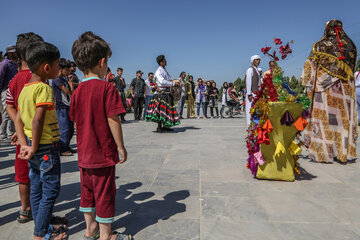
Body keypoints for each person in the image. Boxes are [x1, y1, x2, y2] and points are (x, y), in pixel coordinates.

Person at [70, 31, 130, 240]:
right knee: (105, 193)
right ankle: (106, 235)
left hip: (84, 155)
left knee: (87, 192)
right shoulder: (107, 88)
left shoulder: (76, 91)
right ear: (103, 62)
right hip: (102, 155)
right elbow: (114, 120)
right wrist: (120, 146)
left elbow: (76, 121)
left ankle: (90, 229)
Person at [14, 41, 67, 240]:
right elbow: (37, 120)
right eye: (57, 65)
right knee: (51, 190)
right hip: (45, 147)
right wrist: (34, 146)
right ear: (47, 68)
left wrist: (25, 144)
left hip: (32, 145)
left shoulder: (25, 89)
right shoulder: (44, 89)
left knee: (36, 188)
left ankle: (41, 226)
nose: (59, 69)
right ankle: (40, 234)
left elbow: (18, 120)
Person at [302, 19, 358, 163]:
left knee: (325, 121)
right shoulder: (351, 45)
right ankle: (341, 153)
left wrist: (307, 84)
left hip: (325, 90)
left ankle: (323, 153)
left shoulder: (320, 45)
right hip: (346, 91)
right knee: (342, 122)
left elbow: (309, 66)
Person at [6, 32, 44, 224]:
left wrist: (18, 127)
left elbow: (9, 106)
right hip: (39, 138)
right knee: (41, 174)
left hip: (20, 140)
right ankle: (41, 214)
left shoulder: (14, 80)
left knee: (23, 176)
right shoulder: (39, 78)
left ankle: (25, 210)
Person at [145, 55, 180, 132]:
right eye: (164, 60)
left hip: (167, 93)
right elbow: (162, 82)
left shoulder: (164, 70)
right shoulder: (158, 71)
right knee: (160, 110)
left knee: (166, 110)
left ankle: (166, 126)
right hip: (161, 93)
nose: (166, 61)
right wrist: (173, 84)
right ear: (161, 62)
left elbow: (166, 80)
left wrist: (172, 82)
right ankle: (159, 127)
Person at [52, 58, 75, 156]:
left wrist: (70, 83)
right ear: (60, 69)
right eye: (66, 69)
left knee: (70, 129)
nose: (68, 71)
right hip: (61, 107)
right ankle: (61, 149)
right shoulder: (57, 79)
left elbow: (71, 92)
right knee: (64, 129)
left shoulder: (64, 79)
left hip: (67, 107)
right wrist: (70, 88)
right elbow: (66, 91)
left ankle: (67, 146)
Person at [0, 45, 18, 140]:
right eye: (15, 52)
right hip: (6, 89)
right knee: (6, 112)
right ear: (10, 53)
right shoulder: (5, 64)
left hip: (12, 90)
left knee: (12, 110)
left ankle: (9, 132)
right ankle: (2, 132)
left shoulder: (14, 64)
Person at [245, 55, 261, 126]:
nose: (258, 61)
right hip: (251, 94)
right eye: (257, 60)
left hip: (256, 94)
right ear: (253, 61)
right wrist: (249, 94)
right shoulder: (250, 69)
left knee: (255, 112)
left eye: (259, 60)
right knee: (249, 111)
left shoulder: (257, 70)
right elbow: (248, 82)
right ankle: (249, 127)